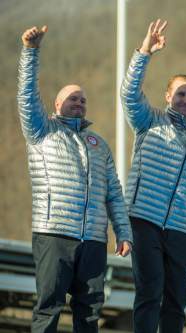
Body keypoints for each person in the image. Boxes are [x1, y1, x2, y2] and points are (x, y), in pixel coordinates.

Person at [17, 26, 133, 333]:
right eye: (71, 98)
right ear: (57, 105)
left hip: (93, 240)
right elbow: (27, 97)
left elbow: (114, 194)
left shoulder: (98, 144)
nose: (79, 103)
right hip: (55, 235)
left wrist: (123, 232)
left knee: (90, 312)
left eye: (83, 99)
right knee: (48, 307)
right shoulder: (42, 131)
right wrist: (31, 51)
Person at [120, 19, 186, 333]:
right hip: (144, 221)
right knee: (149, 293)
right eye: (180, 94)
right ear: (167, 96)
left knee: (176, 302)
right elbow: (128, 94)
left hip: (182, 231)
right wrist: (145, 52)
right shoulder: (148, 120)